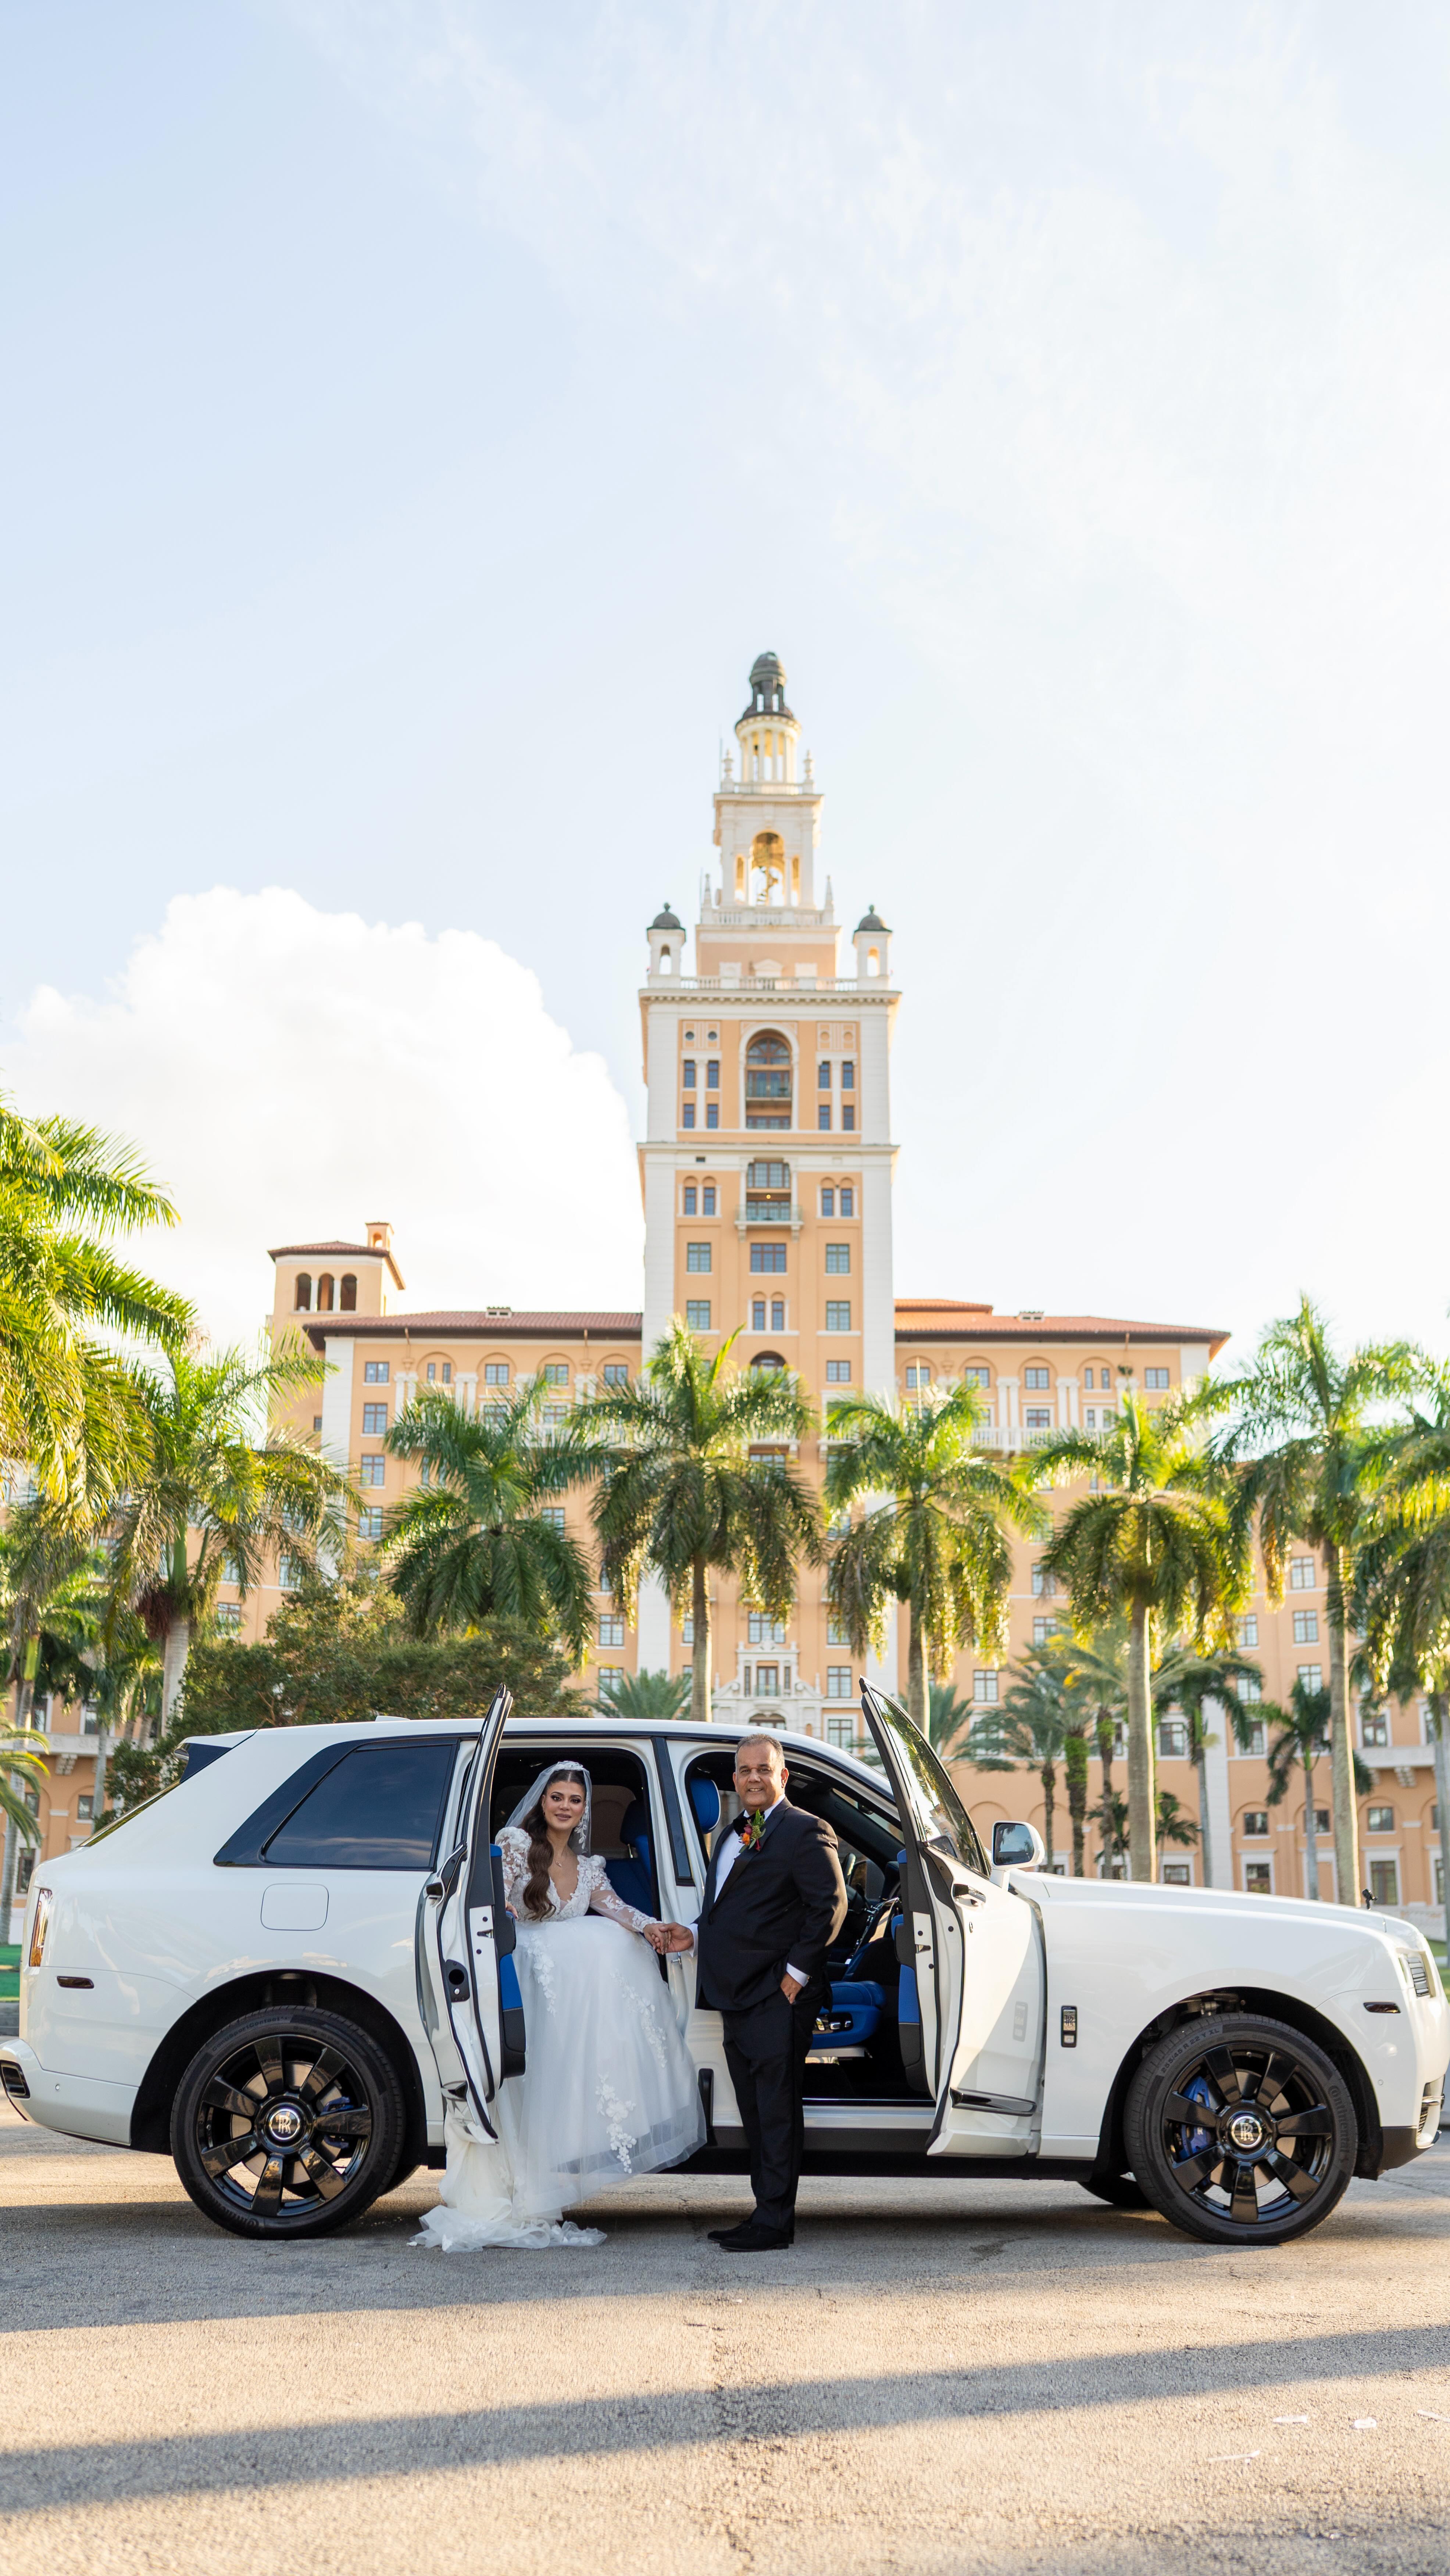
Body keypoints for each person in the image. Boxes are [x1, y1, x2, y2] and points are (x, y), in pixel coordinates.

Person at [416, 1762, 703, 2250]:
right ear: (542, 1802)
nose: (565, 1806)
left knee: (616, 1938)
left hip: (564, 1991)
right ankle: (505, 2190)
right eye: (557, 1797)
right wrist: (504, 1909)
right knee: (523, 2084)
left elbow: (614, 1907)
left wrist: (650, 1926)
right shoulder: (516, 1844)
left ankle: (536, 2186)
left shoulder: (589, 1867)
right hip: (526, 1971)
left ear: (584, 1809)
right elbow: (493, 1899)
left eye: (574, 1800)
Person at [681, 1730, 848, 2253]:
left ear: (783, 1776)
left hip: (777, 1995)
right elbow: (730, 1910)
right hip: (736, 1993)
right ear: (735, 1779)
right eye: (745, 1770)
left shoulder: (805, 1829)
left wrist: (795, 1977)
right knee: (755, 2113)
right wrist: (695, 1935)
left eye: (764, 1769)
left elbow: (830, 1906)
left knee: (776, 2112)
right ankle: (764, 2211)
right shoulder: (734, 1834)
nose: (754, 1778)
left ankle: (776, 2223)